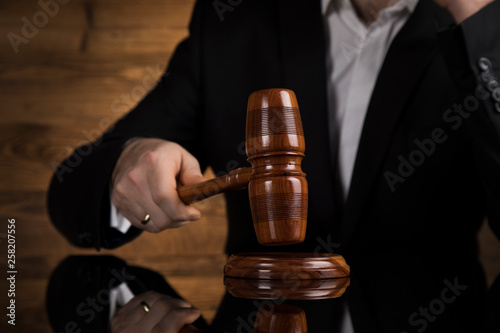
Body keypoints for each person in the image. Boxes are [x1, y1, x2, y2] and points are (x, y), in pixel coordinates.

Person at [48, 0, 500, 332]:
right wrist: (124, 167)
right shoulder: (233, 18)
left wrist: (478, 19)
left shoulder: (484, 28)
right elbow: (71, 194)